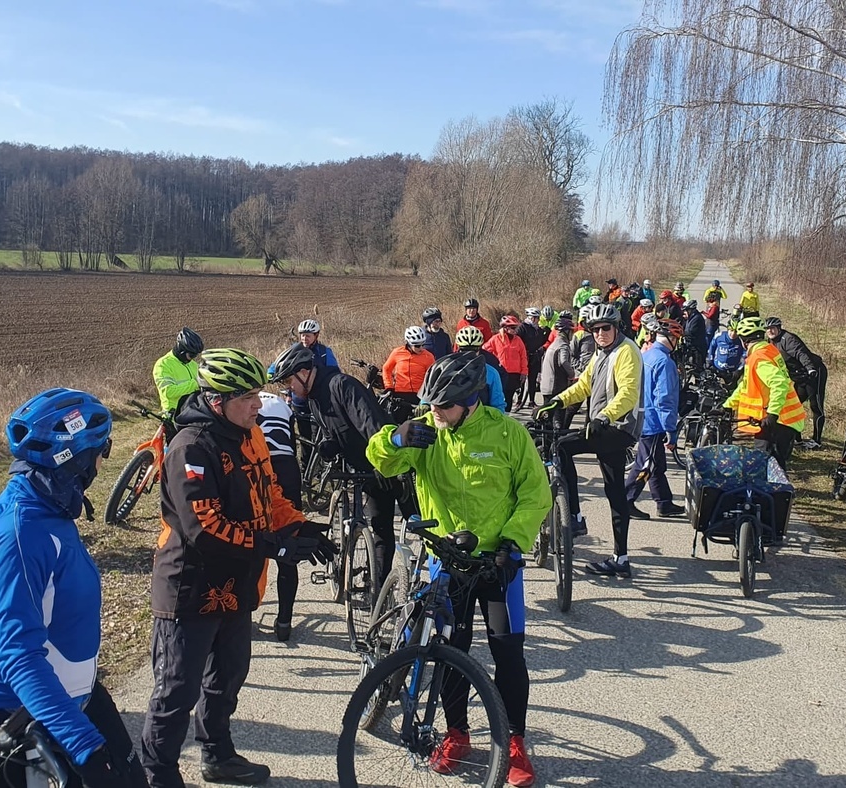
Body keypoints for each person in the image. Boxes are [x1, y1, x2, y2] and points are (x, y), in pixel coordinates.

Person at [141, 349, 336, 788]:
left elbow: (269, 497)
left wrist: (300, 526)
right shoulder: (191, 447)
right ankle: (158, 774)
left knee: (226, 679)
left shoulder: (251, 434)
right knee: (176, 690)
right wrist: (273, 547)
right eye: (246, 397)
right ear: (216, 401)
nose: (257, 405)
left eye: (258, 395)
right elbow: (204, 528)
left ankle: (217, 755)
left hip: (236, 583)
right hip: (190, 587)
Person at [0, 388, 145, 788]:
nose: (103, 463)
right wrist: (85, 746)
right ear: (77, 460)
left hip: (65, 697)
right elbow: (18, 655)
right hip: (5, 719)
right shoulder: (18, 534)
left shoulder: (48, 508)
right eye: (102, 451)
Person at [367, 352, 551, 788]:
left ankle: (515, 743)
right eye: (429, 403)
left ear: (470, 402)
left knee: (508, 653)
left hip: (497, 561)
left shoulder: (507, 433)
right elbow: (380, 461)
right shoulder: (426, 432)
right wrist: (395, 438)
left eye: (443, 405)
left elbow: (535, 493)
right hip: (446, 561)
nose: (434, 411)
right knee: (450, 652)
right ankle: (457, 734)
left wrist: (513, 542)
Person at [269, 343, 410, 613]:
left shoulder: (342, 386)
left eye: (288, 381)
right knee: (367, 523)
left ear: (304, 372)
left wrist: (384, 465)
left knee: (386, 528)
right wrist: (329, 445)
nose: (289, 388)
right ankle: (369, 587)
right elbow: (332, 431)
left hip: (382, 465)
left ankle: (383, 593)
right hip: (356, 467)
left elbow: (374, 428)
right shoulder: (313, 398)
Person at [537, 303, 643, 578]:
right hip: (607, 427)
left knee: (562, 446)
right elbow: (584, 385)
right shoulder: (601, 353)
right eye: (595, 330)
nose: (600, 334)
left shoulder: (626, 351)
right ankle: (621, 558)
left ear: (616, 327)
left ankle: (574, 516)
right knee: (615, 492)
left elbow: (629, 393)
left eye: (605, 328)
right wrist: (556, 401)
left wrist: (604, 417)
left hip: (617, 427)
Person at [723, 317, 807, 472]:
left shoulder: (758, 358)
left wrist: (772, 414)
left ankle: (775, 487)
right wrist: (728, 405)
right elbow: (746, 385)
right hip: (782, 418)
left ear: (744, 341)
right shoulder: (768, 350)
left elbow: (779, 383)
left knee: (766, 466)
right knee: (771, 466)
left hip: (779, 420)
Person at [624, 318, 686, 520]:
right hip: (654, 422)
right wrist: (671, 428)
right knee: (646, 464)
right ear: (672, 339)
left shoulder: (646, 355)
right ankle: (626, 500)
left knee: (657, 464)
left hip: (642, 416)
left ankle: (664, 503)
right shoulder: (665, 362)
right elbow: (663, 398)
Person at [258, 389, 303, 641]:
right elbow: (292, 444)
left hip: (257, 462)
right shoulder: (280, 402)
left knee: (251, 539)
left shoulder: (241, 401)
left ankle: (240, 616)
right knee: (289, 546)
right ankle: (284, 621)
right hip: (286, 466)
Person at [766, 317, 828, 448]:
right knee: (793, 406)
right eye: (767, 329)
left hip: (814, 372)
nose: (770, 331)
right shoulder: (770, 342)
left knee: (816, 406)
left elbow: (801, 353)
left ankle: (816, 441)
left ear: (779, 328)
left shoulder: (788, 339)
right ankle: (797, 439)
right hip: (799, 377)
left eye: (773, 328)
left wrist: (810, 368)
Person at [382, 326, 437, 421]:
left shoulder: (428, 356)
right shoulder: (397, 353)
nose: (421, 348)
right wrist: (389, 387)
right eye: (417, 346)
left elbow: (432, 378)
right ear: (408, 343)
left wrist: (426, 400)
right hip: (400, 396)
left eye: (422, 344)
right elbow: (386, 369)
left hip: (419, 397)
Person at [153, 327, 205, 422]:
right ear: (181, 351)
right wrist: (196, 383)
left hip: (192, 414)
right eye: (191, 355)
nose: (192, 358)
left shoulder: (193, 365)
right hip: (174, 418)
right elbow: (169, 392)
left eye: (195, 356)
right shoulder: (163, 365)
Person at [539, 312, 577, 428]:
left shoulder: (554, 344)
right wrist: (572, 374)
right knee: (558, 419)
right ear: (566, 332)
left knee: (547, 419)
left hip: (546, 386)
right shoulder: (563, 345)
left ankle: (547, 438)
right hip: (556, 386)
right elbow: (564, 361)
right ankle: (556, 439)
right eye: (571, 331)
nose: (573, 334)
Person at [454, 326, 507, 412]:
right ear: (458, 348)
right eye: (464, 350)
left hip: (481, 418)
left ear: (480, 349)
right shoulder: (446, 369)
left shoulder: (491, 372)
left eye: (474, 350)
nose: (469, 354)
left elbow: (498, 405)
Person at [484, 316, 530, 411]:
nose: (515, 330)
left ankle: (507, 416)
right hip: (501, 373)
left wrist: (524, 372)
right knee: (499, 396)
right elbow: (484, 351)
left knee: (509, 398)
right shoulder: (496, 339)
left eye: (516, 327)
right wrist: (493, 364)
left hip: (514, 374)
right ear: (505, 328)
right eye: (513, 327)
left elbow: (523, 357)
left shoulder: (518, 340)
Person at [517, 308, 545, 409]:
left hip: (535, 357)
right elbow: (517, 340)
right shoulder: (522, 327)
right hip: (524, 356)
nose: (538, 320)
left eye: (538, 318)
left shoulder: (538, 329)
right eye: (536, 318)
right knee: (522, 379)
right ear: (531, 318)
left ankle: (532, 401)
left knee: (532, 380)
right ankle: (519, 400)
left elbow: (541, 341)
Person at [682, 300, 709, 370]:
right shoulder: (690, 318)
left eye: (686, 310)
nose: (684, 312)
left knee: (698, 368)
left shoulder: (697, 318)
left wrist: (681, 333)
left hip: (698, 348)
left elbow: (690, 332)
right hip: (692, 346)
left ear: (691, 310)